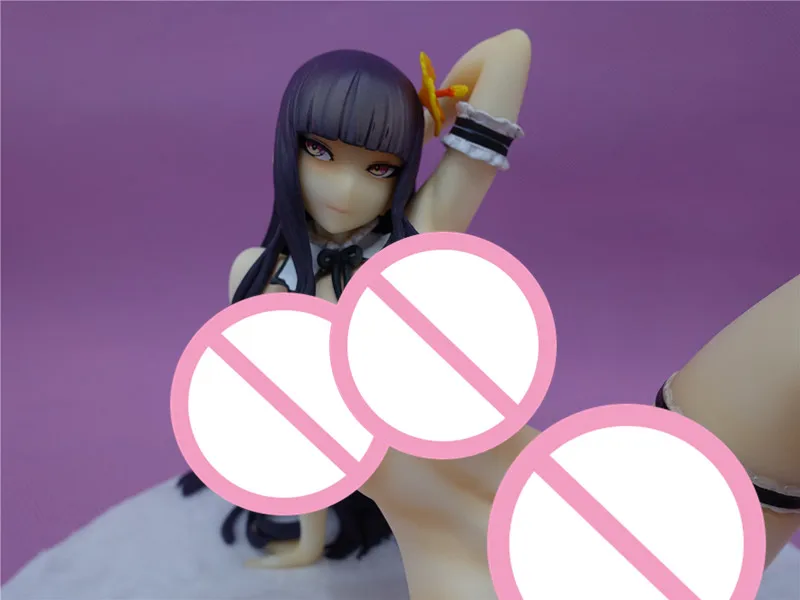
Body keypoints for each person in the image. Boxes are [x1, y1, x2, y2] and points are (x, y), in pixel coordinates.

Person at [178, 28, 534, 570]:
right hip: (403, 488)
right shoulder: (260, 274)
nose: (345, 190)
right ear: (289, 146)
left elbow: (511, 49)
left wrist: (430, 113)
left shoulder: (407, 243)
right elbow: (297, 422)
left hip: (465, 445)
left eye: (379, 168)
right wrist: (309, 540)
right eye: (321, 152)